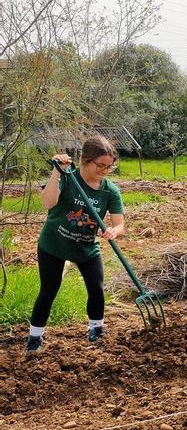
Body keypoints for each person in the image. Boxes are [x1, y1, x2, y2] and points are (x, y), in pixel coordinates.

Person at [25, 136, 125, 353]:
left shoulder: (109, 191)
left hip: (85, 247)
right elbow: (47, 203)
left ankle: (96, 330)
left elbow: (120, 224)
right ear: (85, 160)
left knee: (96, 287)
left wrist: (113, 231)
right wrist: (57, 172)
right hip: (54, 244)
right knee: (49, 289)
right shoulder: (68, 178)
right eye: (100, 165)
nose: (104, 171)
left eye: (109, 166)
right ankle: (35, 337)